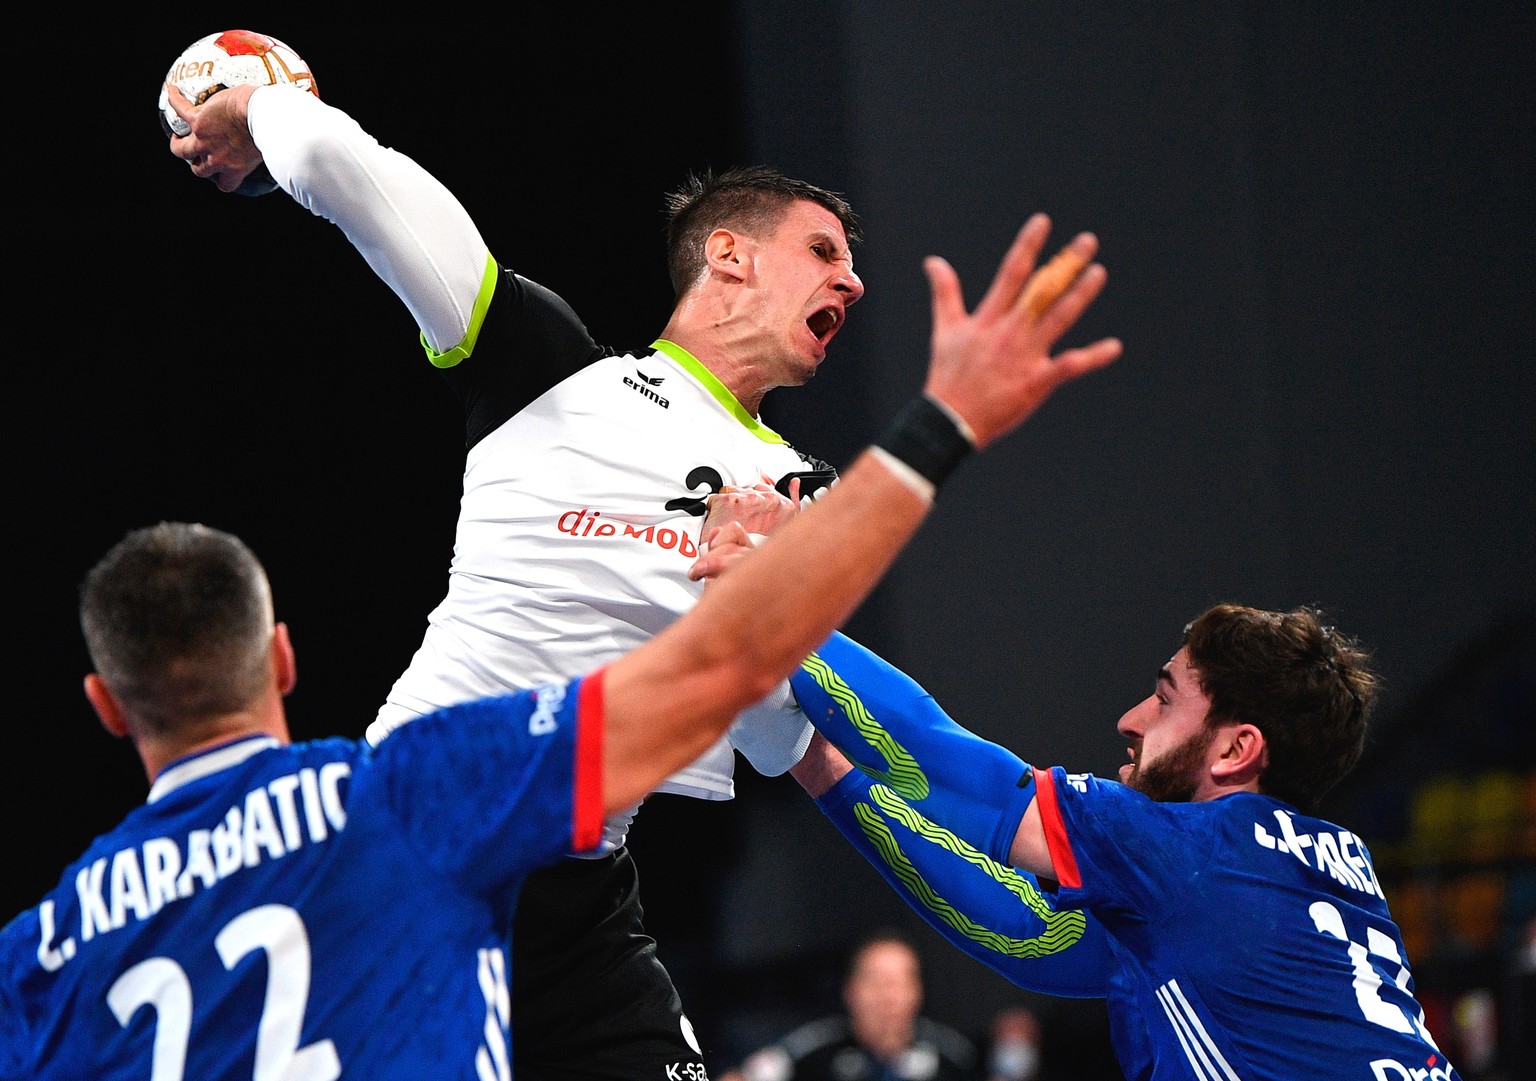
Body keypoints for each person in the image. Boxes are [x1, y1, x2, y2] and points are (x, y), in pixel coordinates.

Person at [0, 206, 1123, 1079]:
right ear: (283, 658)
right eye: (822, 249)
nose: (849, 277)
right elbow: (722, 673)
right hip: (536, 861)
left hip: (569, 915)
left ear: (105, 703)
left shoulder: (44, 947)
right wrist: (940, 427)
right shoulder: (404, 796)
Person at [764, 607, 1466, 1080]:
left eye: (1164, 700)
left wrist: (770, 603)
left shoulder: (1197, 851)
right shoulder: (1302, 874)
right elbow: (1027, 932)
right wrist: (812, 758)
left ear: (1235, 748)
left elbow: (952, 766)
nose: (1130, 719)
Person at [728, 930, 980, 1081]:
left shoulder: (954, 1055)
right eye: (876, 982)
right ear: (850, 992)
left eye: (901, 982)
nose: (889, 997)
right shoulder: (814, 1049)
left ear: (918, 992)